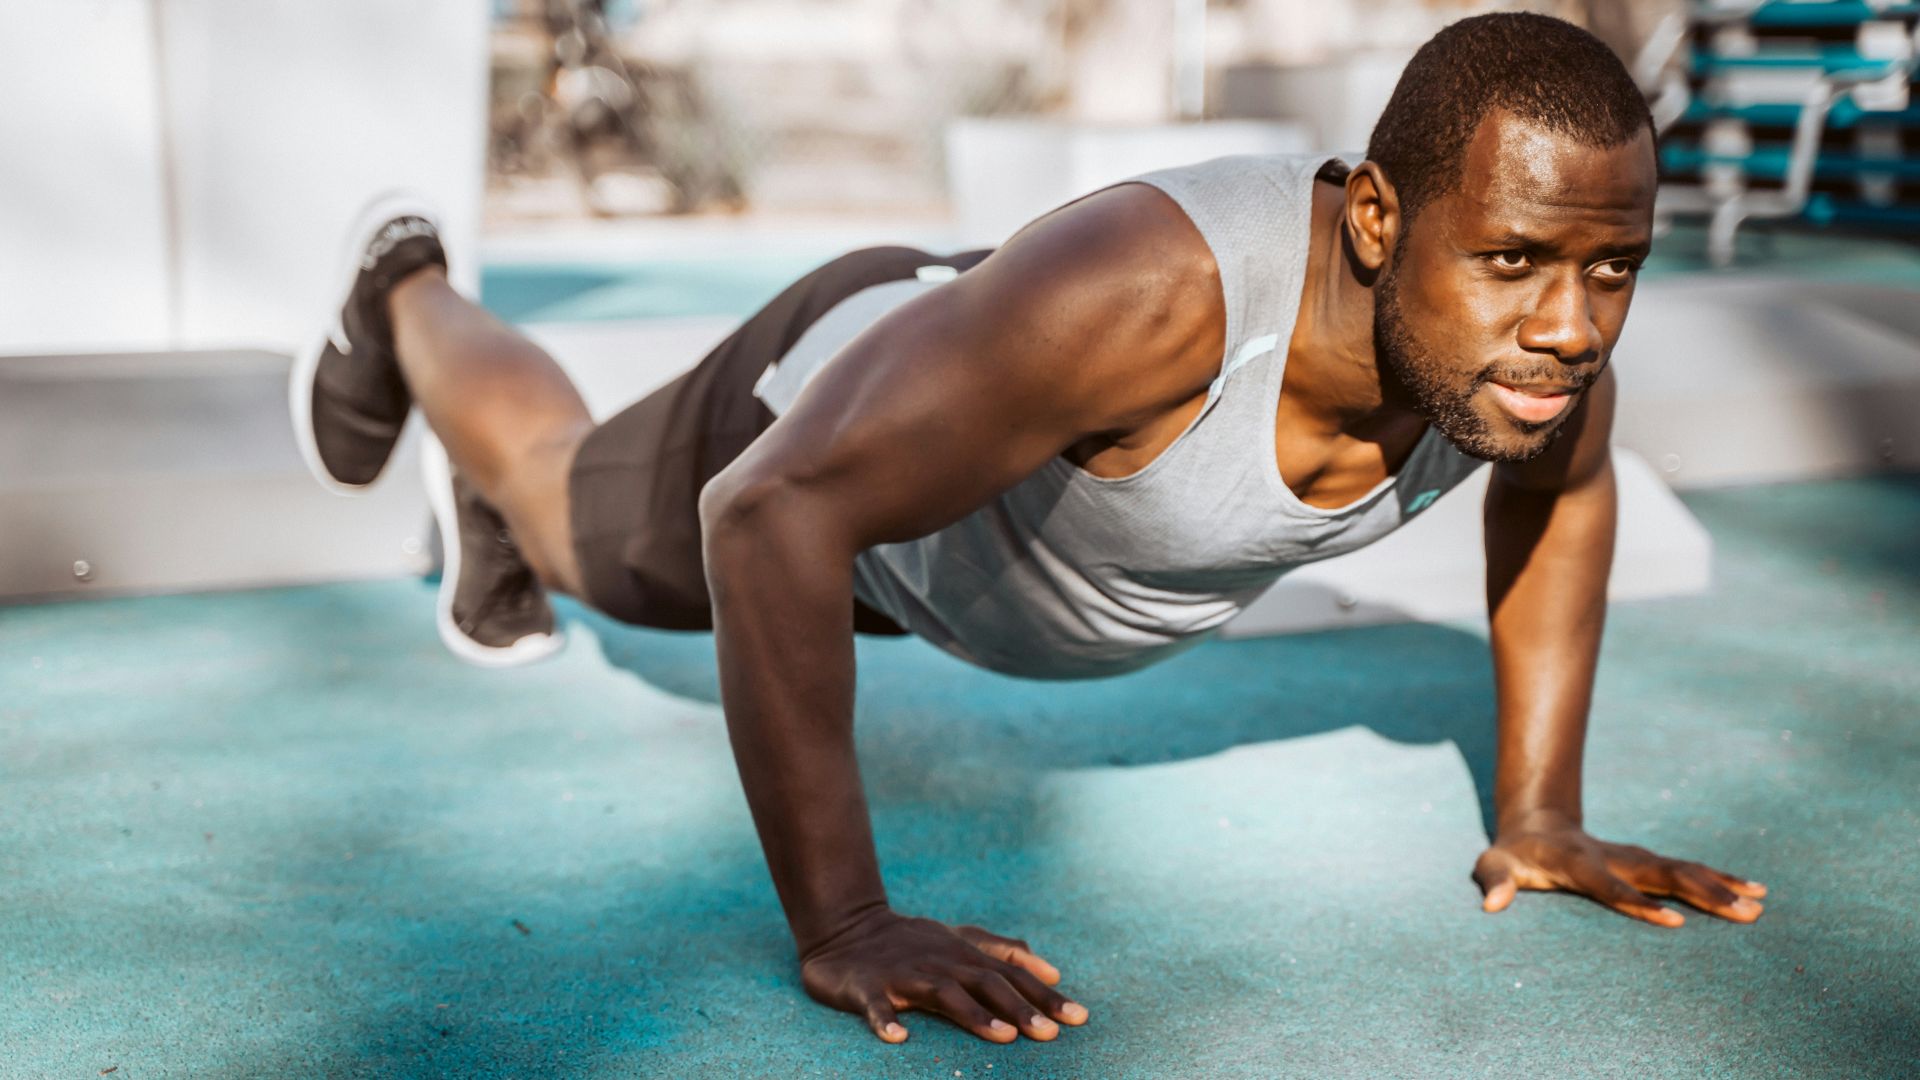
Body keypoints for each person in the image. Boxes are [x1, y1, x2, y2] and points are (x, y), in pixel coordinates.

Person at [292, 12, 1769, 1047]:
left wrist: (1539, 815)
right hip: (833, 443)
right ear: (1377, 218)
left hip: (949, 545)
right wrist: (847, 919)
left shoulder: (1535, 363)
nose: (1571, 323)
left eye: (1612, 267)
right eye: (1513, 257)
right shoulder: (1151, 296)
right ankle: (408, 290)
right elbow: (766, 514)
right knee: (568, 519)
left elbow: (1563, 496)